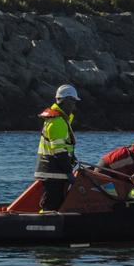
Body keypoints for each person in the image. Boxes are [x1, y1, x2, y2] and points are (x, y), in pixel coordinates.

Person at [34, 84, 80, 212]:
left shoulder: (59, 120)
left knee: (54, 203)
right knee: (50, 205)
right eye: (73, 102)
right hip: (53, 172)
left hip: (54, 171)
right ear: (66, 101)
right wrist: (69, 173)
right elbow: (59, 152)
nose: (74, 106)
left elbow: (63, 148)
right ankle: (43, 226)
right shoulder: (57, 122)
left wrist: (72, 159)